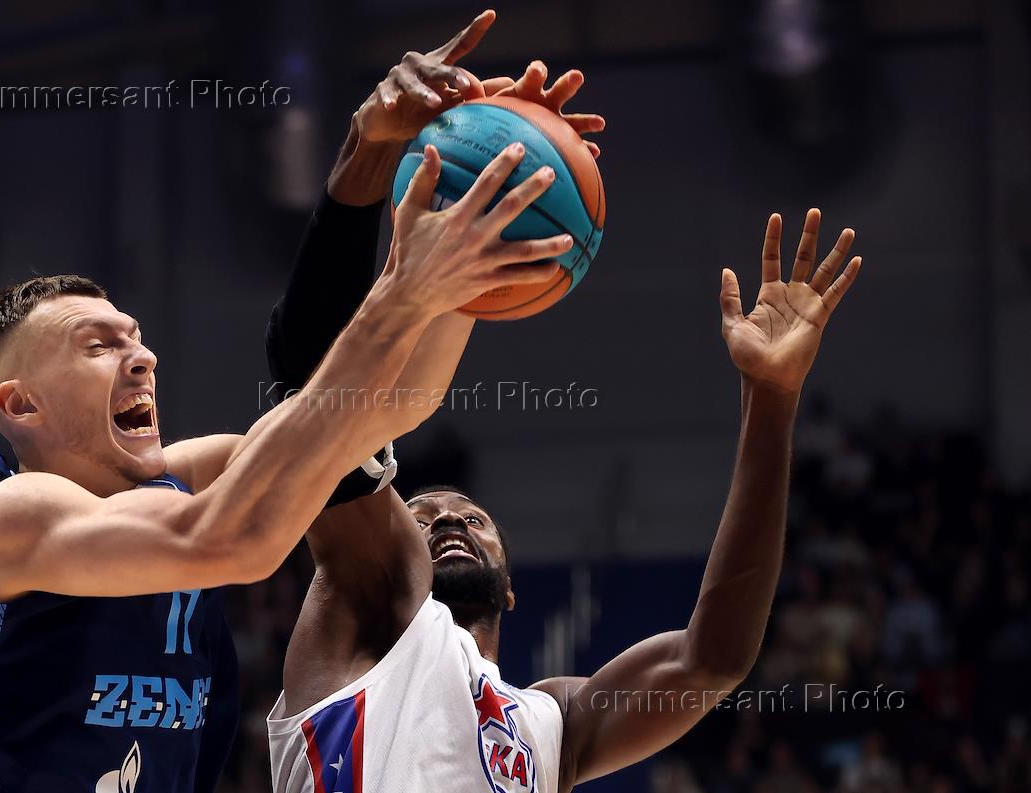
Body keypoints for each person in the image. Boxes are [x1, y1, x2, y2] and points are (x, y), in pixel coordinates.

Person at [0, 36, 575, 790]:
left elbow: (375, 412)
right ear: (20, 404)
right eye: (97, 345)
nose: (141, 357)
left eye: (136, 336)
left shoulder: (190, 474)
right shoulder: (5, 517)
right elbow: (236, 538)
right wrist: (404, 292)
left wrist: (459, 229)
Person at [262, 13, 864, 790]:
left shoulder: (553, 722)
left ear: (514, 585)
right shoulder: (363, 606)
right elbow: (310, 377)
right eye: (422, 515)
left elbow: (710, 658)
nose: (448, 519)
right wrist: (369, 146)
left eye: (471, 517)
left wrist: (772, 399)